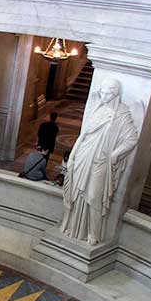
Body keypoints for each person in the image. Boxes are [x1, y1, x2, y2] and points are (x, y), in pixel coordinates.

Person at [61, 78, 138, 245]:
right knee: (77, 193)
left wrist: (115, 154)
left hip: (101, 160)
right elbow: (83, 136)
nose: (104, 97)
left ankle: (94, 233)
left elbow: (132, 139)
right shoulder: (97, 110)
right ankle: (75, 228)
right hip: (83, 155)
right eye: (102, 93)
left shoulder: (121, 115)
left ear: (115, 94)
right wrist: (72, 157)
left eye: (108, 94)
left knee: (94, 196)